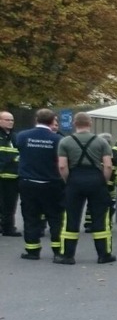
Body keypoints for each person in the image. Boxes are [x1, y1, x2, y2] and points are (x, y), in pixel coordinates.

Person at [55, 112, 115, 265]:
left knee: (71, 218)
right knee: (100, 218)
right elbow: (108, 165)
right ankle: (104, 255)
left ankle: (67, 255)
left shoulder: (65, 142)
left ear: (75, 123)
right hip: (96, 179)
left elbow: (62, 166)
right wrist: (103, 181)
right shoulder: (102, 142)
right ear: (90, 123)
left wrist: (69, 181)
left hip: (75, 179)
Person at [15, 109, 64, 260]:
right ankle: (58, 251)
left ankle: (32, 251)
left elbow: (20, 151)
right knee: (55, 217)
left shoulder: (22, 136)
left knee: (30, 216)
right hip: (51, 184)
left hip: (28, 183)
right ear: (52, 121)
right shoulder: (57, 139)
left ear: (36, 119)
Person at [0, 111, 21, 237]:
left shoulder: (15, 137)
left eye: (12, 120)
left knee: (10, 204)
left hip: (13, 176)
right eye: (7, 120)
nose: (10, 122)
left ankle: (8, 228)